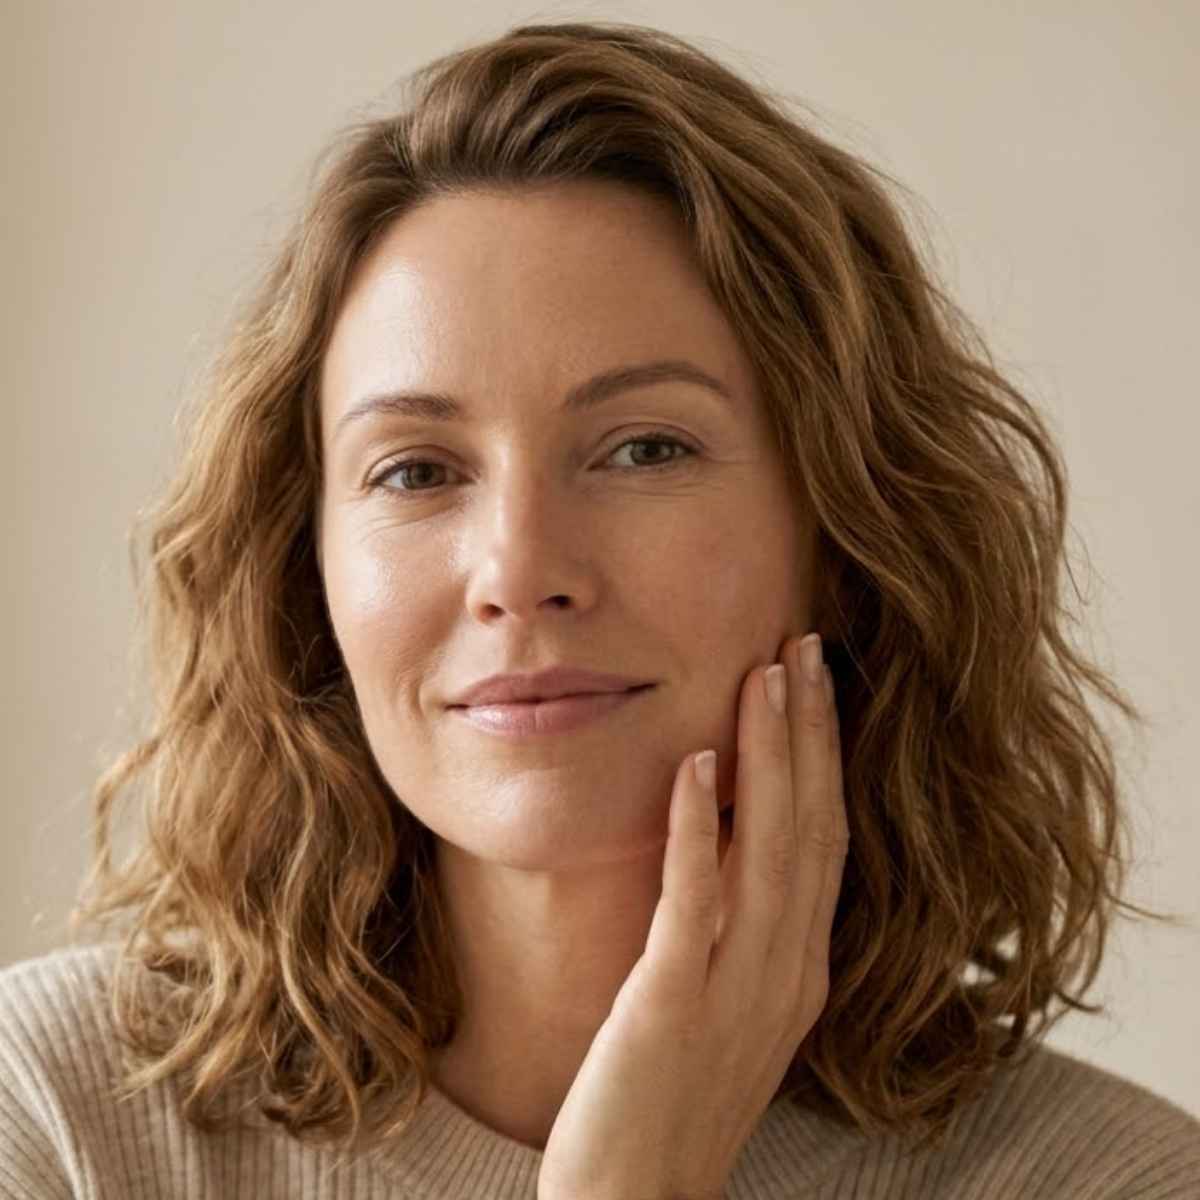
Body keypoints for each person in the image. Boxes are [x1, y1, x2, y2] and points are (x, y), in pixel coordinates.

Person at [2, 18, 1197, 1200]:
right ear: (302, 567)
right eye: (416, 470)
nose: (519, 570)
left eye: (643, 448)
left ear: (847, 531)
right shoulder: (53, 1117)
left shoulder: (1109, 1179)